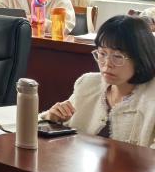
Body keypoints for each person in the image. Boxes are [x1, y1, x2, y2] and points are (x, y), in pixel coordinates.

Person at [42, 15, 155, 147]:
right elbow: (40, 127)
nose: (107, 64)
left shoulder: (151, 98)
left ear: (141, 58)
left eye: (117, 56)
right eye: (102, 53)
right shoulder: (88, 84)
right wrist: (52, 118)